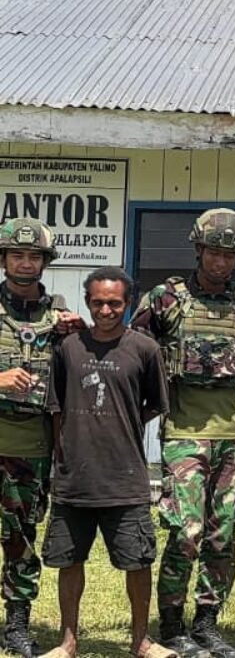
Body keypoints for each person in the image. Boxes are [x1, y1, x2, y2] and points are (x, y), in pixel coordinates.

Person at [131, 208, 235, 658]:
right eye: (215, 252)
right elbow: (135, 354)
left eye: (230, 255)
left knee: (223, 533)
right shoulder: (165, 299)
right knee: (186, 530)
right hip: (184, 432)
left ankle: (206, 623)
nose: (221, 262)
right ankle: (170, 624)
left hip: (233, 435)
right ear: (198, 249)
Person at [40, 266, 170, 658]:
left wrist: (120, 423)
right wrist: (64, 453)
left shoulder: (145, 349)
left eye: (114, 303)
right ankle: (68, 641)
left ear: (127, 303)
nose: (106, 310)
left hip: (125, 475)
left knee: (138, 561)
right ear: (88, 302)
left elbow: (154, 404)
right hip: (74, 477)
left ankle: (141, 641)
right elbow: (55, 406)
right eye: (98, 302)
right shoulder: (68, 348)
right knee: (69, 560)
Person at [0, 218, 83, 658]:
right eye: (17, 255)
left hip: (32, 449)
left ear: (45, 263)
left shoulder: (62, 318)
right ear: (4, 259)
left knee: (21, 538)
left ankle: (16, 623)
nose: (26, 264)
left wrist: (81, 335)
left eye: (34, 257)